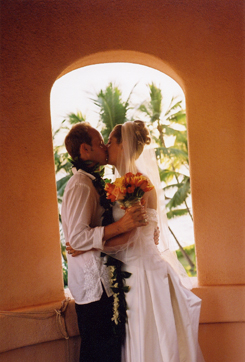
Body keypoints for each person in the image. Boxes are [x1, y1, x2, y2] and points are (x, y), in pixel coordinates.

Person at [105, 120, 205, 362]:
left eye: (110, 141)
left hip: (143, 273)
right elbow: (149, 227)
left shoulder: (137, 185)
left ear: (123, 145)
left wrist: (93, 245)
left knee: (150, 336)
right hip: (133, 269)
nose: (106, 146)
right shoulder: (119, 184)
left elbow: (136, 233)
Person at [61, 122, 147, 362]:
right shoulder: (80, 185)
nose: (104, 146)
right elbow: (77, 238)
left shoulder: (92, 182)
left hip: (103, 285)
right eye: (100, 143)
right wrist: (121, 227)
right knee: (98, 352)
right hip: (93, 289)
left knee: (106, 352)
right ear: (85, 150)